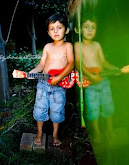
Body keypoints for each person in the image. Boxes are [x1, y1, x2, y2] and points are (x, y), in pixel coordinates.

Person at [30, 13, 74, 146]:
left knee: (57, 110)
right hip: (43, 83)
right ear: (48, 32)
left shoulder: (68, 46)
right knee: (39, 108)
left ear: (66, 30)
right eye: (52, 28)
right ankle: (39, 133)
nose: (55, 31)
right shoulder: (47, 47)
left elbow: (71, 64)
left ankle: (55, 135)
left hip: (59, 84)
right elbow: (42, 64)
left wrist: (59, 78)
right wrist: (32, 72)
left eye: (59, 27)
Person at [74, 14, 119, 143]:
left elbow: (103, 62)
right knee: (93, 110)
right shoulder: (78, 45)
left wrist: (114, 68)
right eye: (86, 27)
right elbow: (78, 63)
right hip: (90, 83)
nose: (89, 30)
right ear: (79, 29)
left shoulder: (97, 45)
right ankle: (97, 133)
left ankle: (109, 131)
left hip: (103, 80)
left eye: (93, 27)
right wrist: (91, 76)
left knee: (108, 106)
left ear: (96, 29)